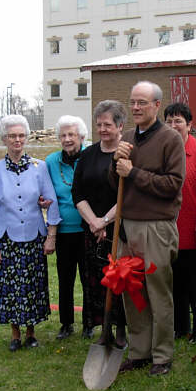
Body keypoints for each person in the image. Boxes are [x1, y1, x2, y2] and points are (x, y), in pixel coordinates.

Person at [110, 81, 185, 376]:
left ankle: (162, 356)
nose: (136, 108)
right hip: (128, 227)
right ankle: (139, 351)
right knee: (133, 291)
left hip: (156, 227)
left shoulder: (170, 139)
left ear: (156, 105)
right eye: (133, 102)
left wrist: (134, 172)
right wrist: (114, 162)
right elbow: (113, 183)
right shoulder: (126, 137)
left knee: (157, 292)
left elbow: (172, 186)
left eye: (142, 102)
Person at [0, 115, 61, 351]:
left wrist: (51, 234)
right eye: (12, 136)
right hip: (7, 238)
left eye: (21, 136)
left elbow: (52, 201)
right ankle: (15, 333)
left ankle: (31, 332)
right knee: (11, 286)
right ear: (4, 139)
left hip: (34, 236)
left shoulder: (40, 167)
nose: (17, 140)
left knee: (33, 286)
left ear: (26, 138)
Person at [71, 101, 128, 345]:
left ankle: (122, 330)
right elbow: (78, 193)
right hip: (92, 232)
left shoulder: (126, 156)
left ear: (120, 126)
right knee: (94, 282)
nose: (103, 129)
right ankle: (103, 328)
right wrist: (94, 222)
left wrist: (105, 221)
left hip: (119, 231)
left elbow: (128, 195)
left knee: (120, 282)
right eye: (99, 125)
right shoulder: (87, 155)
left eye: (107, 125)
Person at [164, 102, 196, 344]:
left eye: (178, 121)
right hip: (170, 231)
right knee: (176, 283)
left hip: (194, 230)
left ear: (189, 125)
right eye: (169, 121)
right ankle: (180, 326)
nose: (173, 126)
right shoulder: (164, 153)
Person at [45, 115, 87, 340]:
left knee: (89, 278)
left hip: (88, 228)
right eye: (63, 135)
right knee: (65, 278)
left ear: (81, 136)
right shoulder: (51, 162)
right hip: (64, 230)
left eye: (71, 134)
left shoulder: (90, 156)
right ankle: (66, 323)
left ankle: (89, 322)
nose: (67, 139)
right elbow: (47, 194)